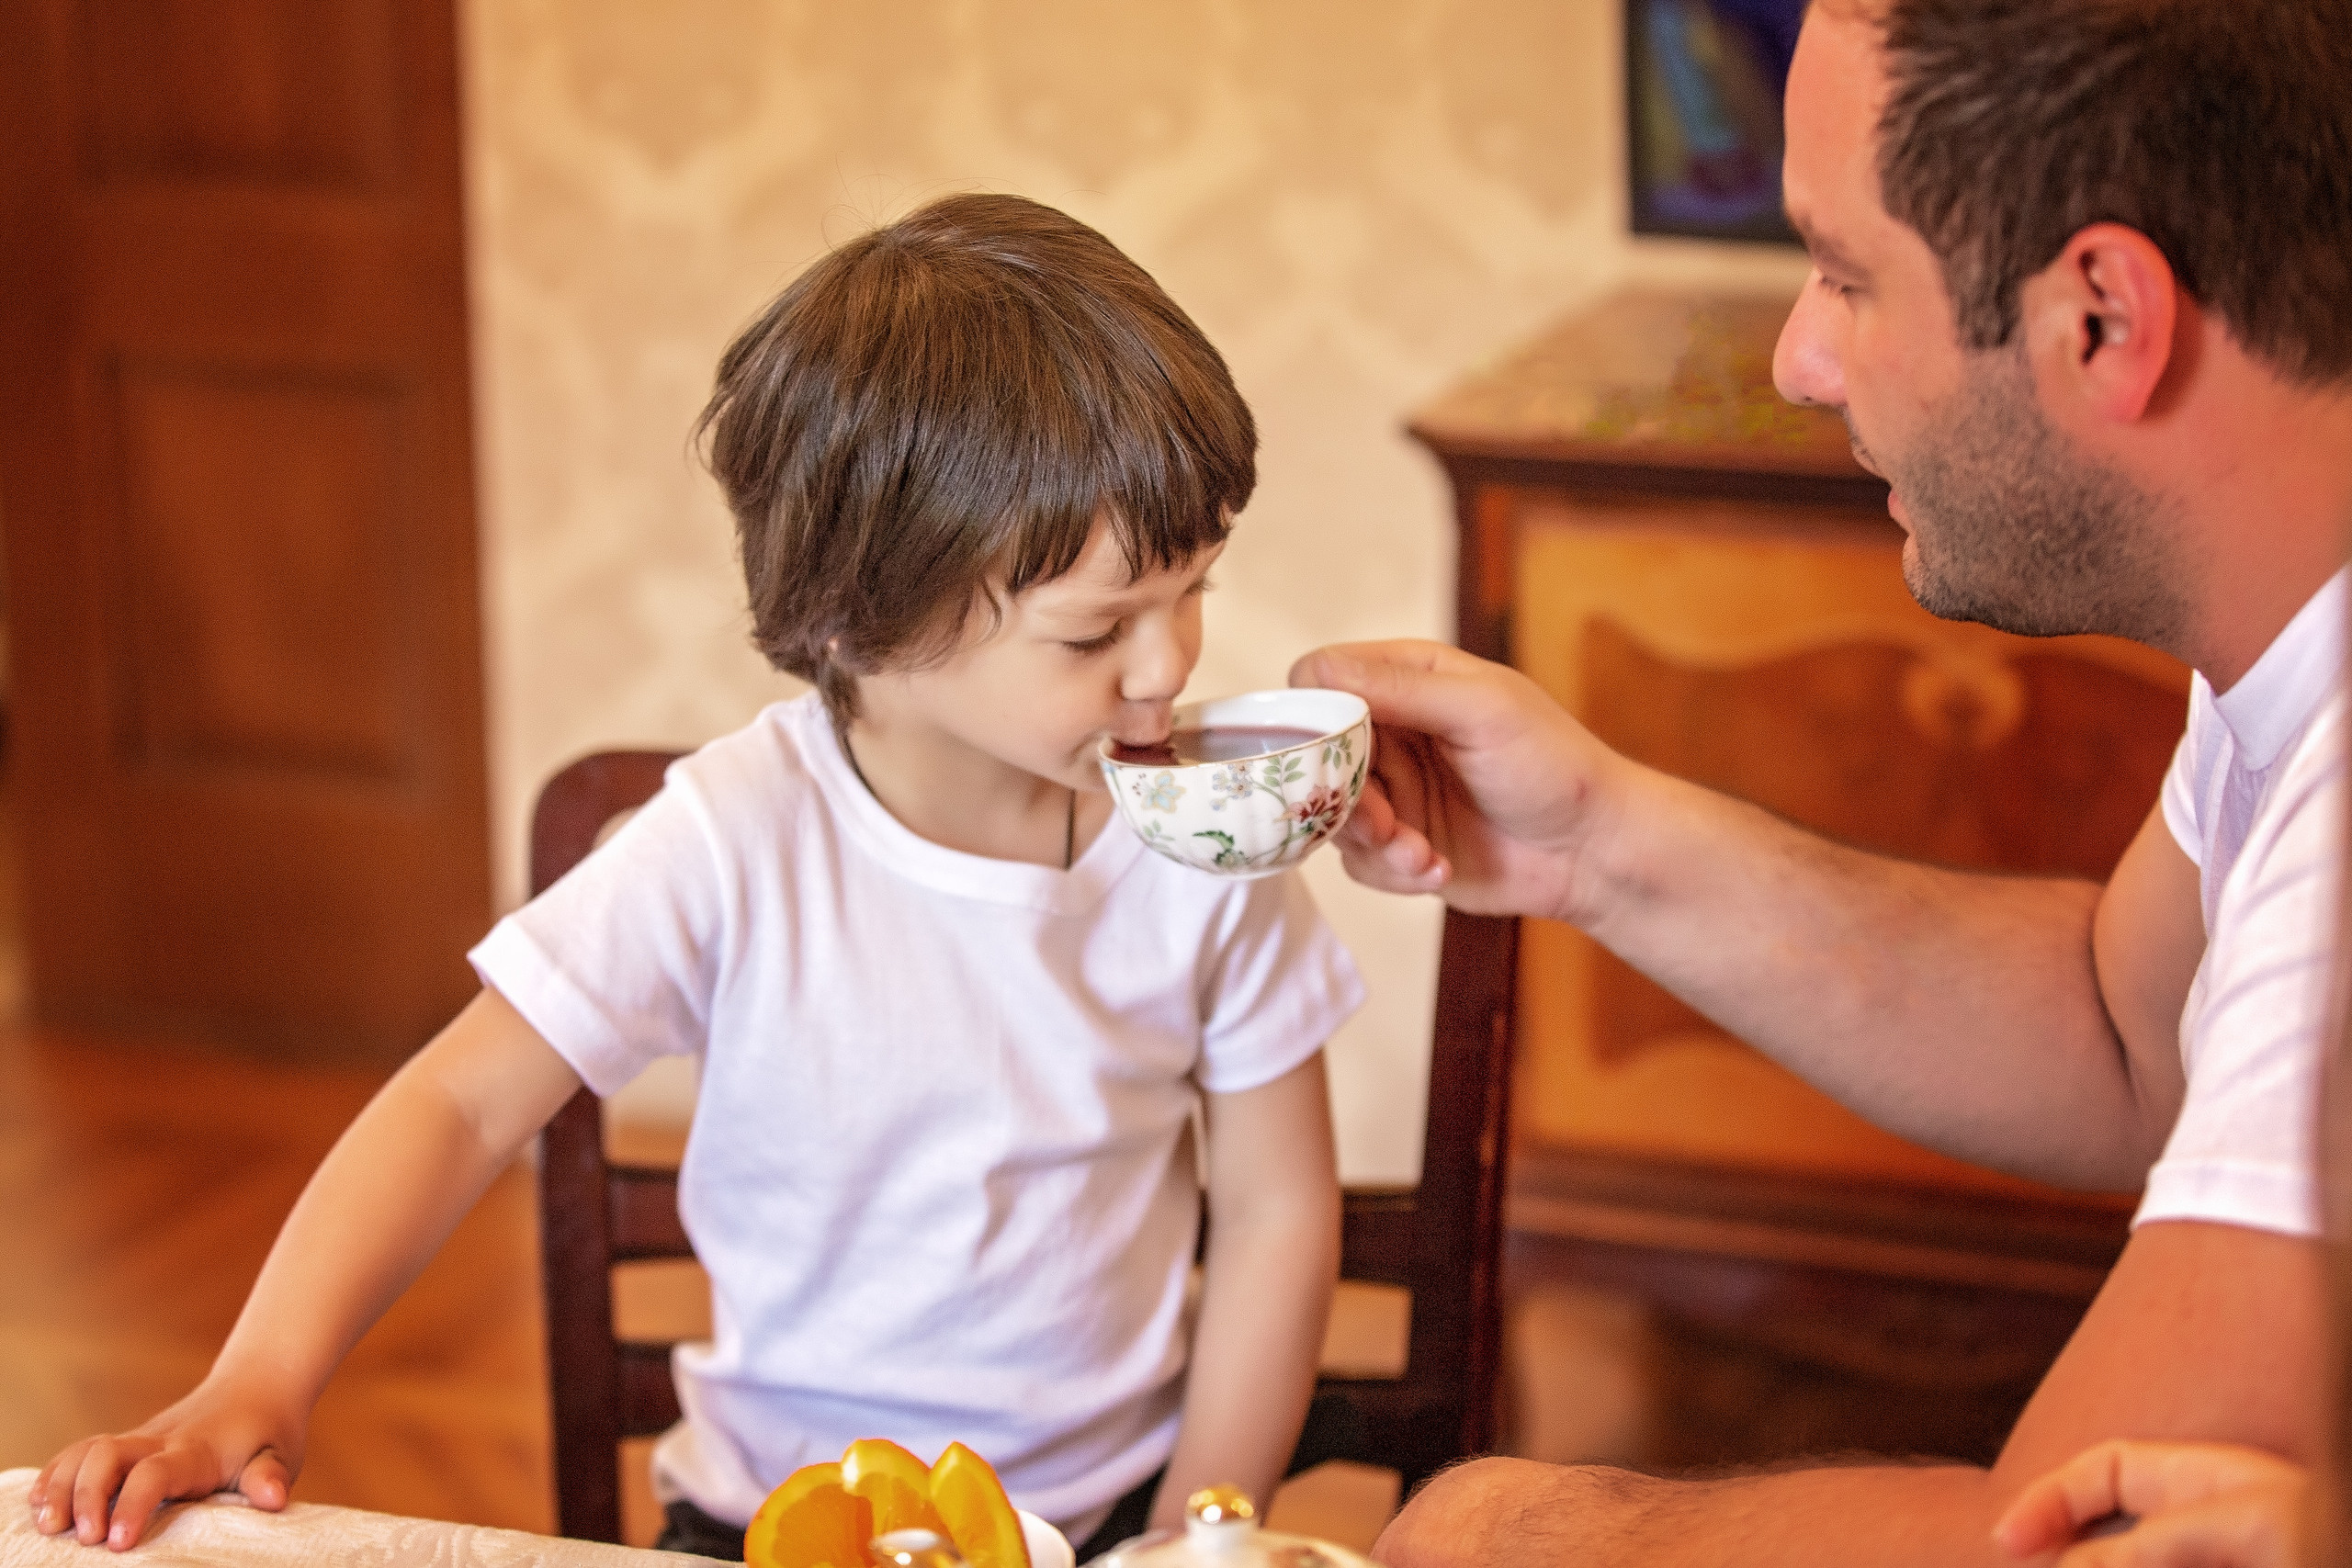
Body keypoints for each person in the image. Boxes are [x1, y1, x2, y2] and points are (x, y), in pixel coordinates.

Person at [28, 194, 1365, 1562]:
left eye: (1193, 588)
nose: (1170, 667)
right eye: (1098, 631)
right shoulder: (737, 840)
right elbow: (459, 1104)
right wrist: (261, 1374)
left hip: (1111, 1522)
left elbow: (1275, 1208)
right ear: (861, 617)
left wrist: (1202, 1522)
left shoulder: (1205, 839)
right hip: (771, 1526)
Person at [1289, 0, 2352, 1563]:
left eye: (1848, 275)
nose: (1798, 357)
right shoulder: (2287, 637)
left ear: (2103, 319)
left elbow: (2083, 1543)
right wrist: (1592, 841)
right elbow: (2127, 1032)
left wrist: (1508, 1528)